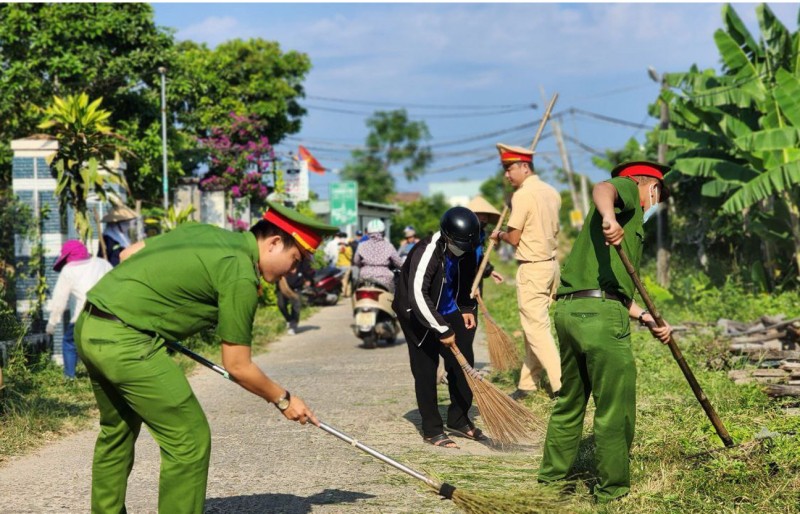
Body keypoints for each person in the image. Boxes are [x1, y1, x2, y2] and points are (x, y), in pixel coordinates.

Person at [75, 200, 338, 514]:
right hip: (127, 343)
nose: (293, 271)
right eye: (295, 260)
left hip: (90, 324)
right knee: (189, 440)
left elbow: (128, 254)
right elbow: (238, 366)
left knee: (116, 432)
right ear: (274, 243)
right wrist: (284, 400)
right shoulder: (240, 273)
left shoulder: (206, 233)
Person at [537, 161, 673, 503]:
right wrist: (610, 217)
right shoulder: (626, 191)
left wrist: (645, 316)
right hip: (600, 318)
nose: (655, 203)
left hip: (570, 311)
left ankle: (551, 484)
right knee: (615, 406)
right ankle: (611, 491)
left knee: (570, 402)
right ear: (649, 185)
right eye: (658, 194)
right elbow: (604, 188)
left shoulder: (624, 225)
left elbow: (610, 288)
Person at [393, 207, 486, 449]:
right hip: (416, 311)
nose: (462, 249)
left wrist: (466, 307)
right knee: (425, 367)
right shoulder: (427, 251)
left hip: (446, 307)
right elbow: (417, 294)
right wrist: (442, 330)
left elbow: (467, 277)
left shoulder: (465, 246)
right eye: (458, 244)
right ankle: (432, 429)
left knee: (463, 360)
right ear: (446, 236)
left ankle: (458, 418)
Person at [490, 143, 562, 398]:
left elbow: (514, 238)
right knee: (536, 326)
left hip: (532, 268)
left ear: (524, 166)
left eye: (509, 169)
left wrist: (498, 234)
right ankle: (528, 384)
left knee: (536, 330)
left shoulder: (522, 196)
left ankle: (562, 387)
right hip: (551, 267)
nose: (506, 175)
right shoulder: (552, 191)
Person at [46, 240, 113, 379]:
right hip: (109, 315)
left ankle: (70, 376)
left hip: (84, 315)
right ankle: (107, 375)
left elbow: (60, 298)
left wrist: (52, 322)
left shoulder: (69, 269)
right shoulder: (103, 263)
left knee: (69, 342)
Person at [466, 195, 506, 294]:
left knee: (473, 307)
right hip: (462, 280)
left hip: (476, 278)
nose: (484, 218)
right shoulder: (463, 234)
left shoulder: (481, 233)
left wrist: (490, 271)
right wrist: (468, 284)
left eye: (486, 215)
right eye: (481, 214)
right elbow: (462, 262)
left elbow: (479, 257)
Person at [353, 219, 403, 292]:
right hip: (385, 279)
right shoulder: (388, 246)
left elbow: (356, 261)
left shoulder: (361, 245)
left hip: (365, 278)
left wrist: (364, 266)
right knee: (393, 297)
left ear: (368, 232)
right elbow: (398, 262)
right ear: (383, 233)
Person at [276, 256, 314, 335]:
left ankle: (293, 325)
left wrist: (308, 279)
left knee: (296, 306)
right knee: (281, 304)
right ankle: (289, 319)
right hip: (283, 285)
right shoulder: (281, 256)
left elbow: (307, 269)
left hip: (296, 286)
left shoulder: (302, 259)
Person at [335, 231, 354, 297]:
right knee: (343, 280)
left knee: (345, 280)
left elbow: (350, 257)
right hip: (339, 265)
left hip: (346, 265)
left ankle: (344, 294)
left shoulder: (348, 248)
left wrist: (345, 250)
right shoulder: (338, 247)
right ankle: (346, 293)